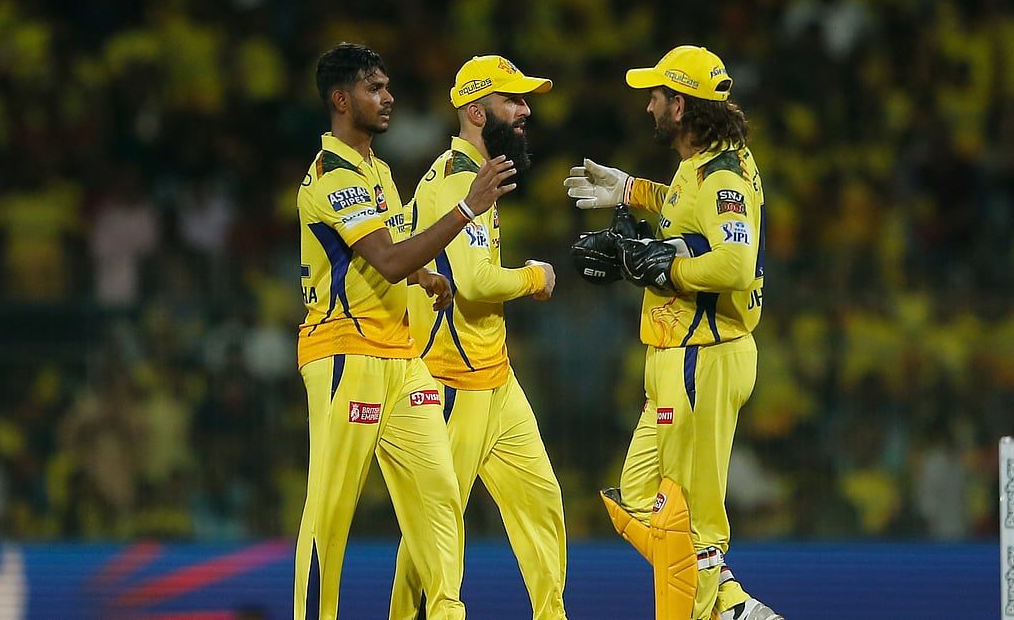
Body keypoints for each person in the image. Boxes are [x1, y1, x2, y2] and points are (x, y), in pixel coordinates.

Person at [294, 42, 516, 620]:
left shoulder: (379, 172)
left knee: (439, 491)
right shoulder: (330, 174)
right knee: (331, 513)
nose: (388, 97)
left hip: (399, 354)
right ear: (342, 100)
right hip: (345, 352)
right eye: (374, 87)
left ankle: (444, 612)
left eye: (388, 85)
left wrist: (425, 276)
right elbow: (384, 260)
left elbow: (390, 257)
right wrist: (465, 210)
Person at [564, 45, 784, 620]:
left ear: (680, 105)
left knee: (693, 522)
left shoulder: (723, 174)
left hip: (702, 356)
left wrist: (666, 267)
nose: (648, 107)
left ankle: (699, 610)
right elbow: (687, 214)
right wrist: (633, 191)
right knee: (636, 496)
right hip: (673, 356)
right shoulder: (702, 165)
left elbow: (734, 263)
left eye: (656, 96)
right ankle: (731, 606)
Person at [389, 55, 567, 620]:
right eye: (513, 100)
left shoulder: (481, 174)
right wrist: (536, 277)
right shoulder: (455, 180)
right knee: (436, 531)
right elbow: (471, 282)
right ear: (475, 110)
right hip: (448, 382)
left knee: (542, 503)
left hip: (494, 377)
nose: (525, 109)